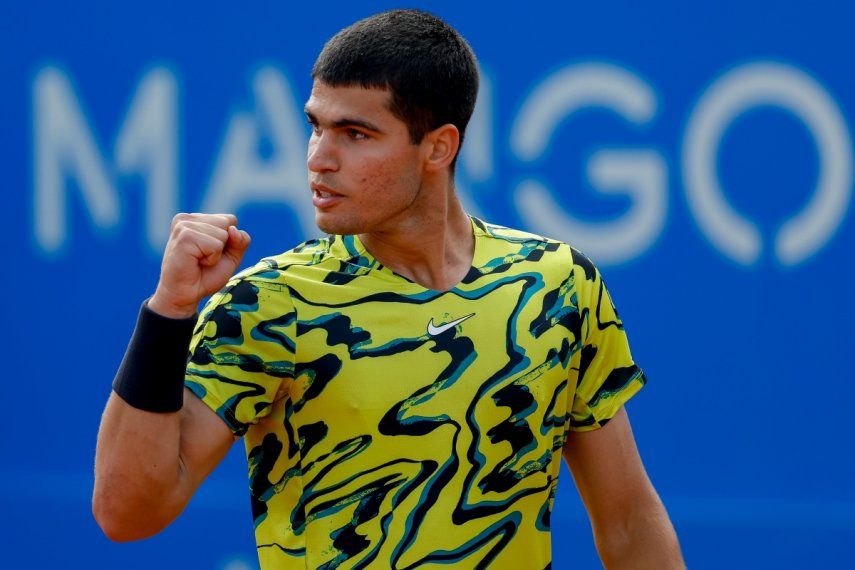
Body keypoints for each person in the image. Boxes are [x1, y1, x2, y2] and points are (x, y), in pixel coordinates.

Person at [93, 9, 684, 569]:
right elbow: (127, 513)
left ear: (438, 147)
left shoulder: (556, 284)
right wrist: (168, 311)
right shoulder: (266, 304)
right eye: (315, 126)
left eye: (355, 133)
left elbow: (628, 519)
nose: (319, 159)